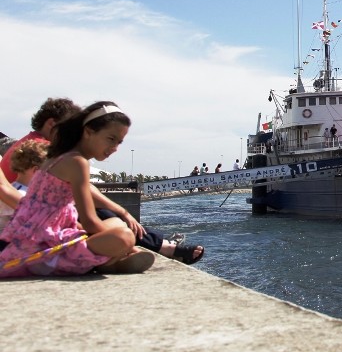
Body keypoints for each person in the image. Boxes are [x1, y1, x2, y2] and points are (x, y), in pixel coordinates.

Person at [0, 97, 203, 265]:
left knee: (116, 224)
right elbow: (88, 221)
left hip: (35, 235)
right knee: (122, 235)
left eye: (119, 142)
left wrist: (120, 217)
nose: (115, 148)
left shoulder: (60, 155)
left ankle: (112, 262)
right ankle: (115, 258)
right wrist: (127, 242)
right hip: (37, 245)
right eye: (111, 139)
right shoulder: (76, 162)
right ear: (88, 132)